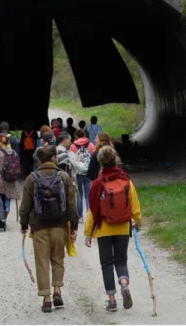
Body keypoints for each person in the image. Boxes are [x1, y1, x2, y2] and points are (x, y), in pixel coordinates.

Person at [19, 145, 79, 313]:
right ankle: (58, 291)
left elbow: (25, 207)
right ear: (54, 158)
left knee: (42, 261)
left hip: (39, 227)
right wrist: (73, 225)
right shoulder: (64, 177)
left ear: (39, 159)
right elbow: (72, 205)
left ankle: (46, 299)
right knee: (58, 258)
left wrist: (24, 225)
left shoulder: (32, 178)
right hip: (60, 225)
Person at [84, 146, 142, 312]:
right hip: (123, 227)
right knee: (121, 261)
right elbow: (135, 206)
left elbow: (93, 211)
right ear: (116, 160)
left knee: (106, 264)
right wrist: (137, 221)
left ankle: (111, 301)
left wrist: (88, 233)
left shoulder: (98, 184)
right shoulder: (126, 181)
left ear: (100, 162)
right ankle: (124, 283)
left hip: (104, 229)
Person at [0, 134, 20, 218]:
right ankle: (6, 211)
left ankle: (1, 218)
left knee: (1, 197)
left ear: (1, 142)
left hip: (1, 178)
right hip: (11, 178)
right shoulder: (14, 152)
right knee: (8, 197)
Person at [69, 129, 95, 218]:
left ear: (76, 136)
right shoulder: (91, 145)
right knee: (88, 195)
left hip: (77, 173)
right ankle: (89, 215)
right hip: (88, 172)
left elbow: (71, 161)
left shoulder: (73, 146)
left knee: (79, 195)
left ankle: (80, 216)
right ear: (84, 135)